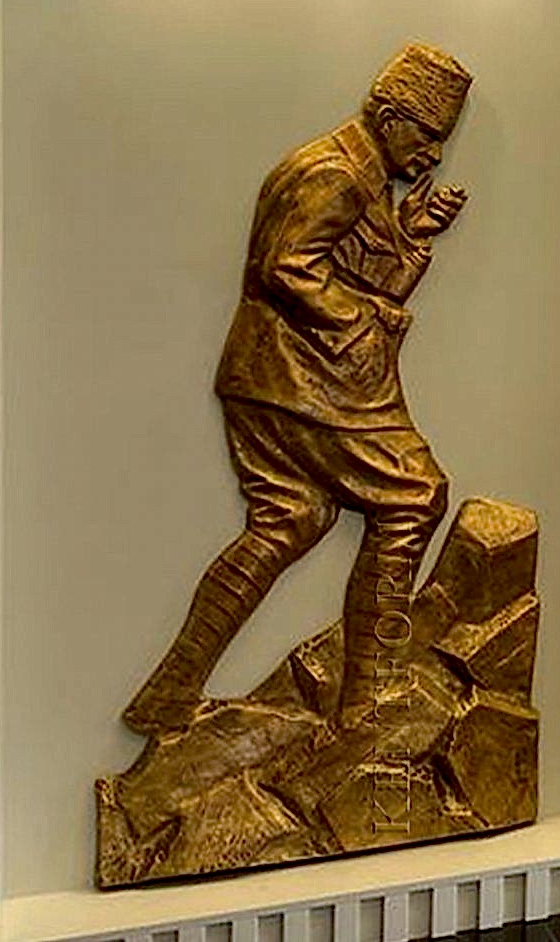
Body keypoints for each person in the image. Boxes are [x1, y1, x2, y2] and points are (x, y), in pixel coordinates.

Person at [123, 42, 472, 736]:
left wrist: (411, 236)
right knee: (414, 494)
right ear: (392, 117)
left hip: (273, 378)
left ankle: (168, 694)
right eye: (429, 136)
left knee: (291, 519)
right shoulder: (336, 173)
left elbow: (358, 273)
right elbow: (286, 266)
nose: (433, 155)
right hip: (299, 379)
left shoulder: (361, 177)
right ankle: (368, 700)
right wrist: (361, 323)